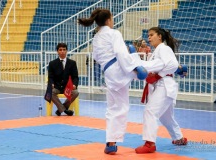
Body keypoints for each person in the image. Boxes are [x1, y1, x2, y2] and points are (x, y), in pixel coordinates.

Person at [78, 8, 169, 155]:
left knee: (112, 108)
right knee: (123, 104)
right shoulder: (114, 33)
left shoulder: (96, 37)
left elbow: (99, 56)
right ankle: (166, 66)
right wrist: (134, 67)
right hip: (118, 69)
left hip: (108, 73)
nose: (113, 21)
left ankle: (110, 141)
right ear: (108, 20)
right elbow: (121, 54)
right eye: (112, 18)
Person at [135, 27, 187, 154]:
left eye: (152, 35)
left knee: (150, 112)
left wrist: (158, 75)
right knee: (166, 117)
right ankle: (179, 138)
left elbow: (173, 65)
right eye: (148, 35)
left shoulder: (163, 48)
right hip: (162, 86)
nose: (149, 38)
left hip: (164, 86)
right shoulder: (156, 51)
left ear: (160, 36)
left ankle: (149, 143)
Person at [48, 43, 79, 116]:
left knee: (76, 93)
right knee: (50, 92)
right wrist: (51, 83)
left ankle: (60, 109)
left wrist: (74, 84)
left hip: (68, 87)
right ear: (57, 51)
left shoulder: (72, 63)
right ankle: (65, 110)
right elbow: (50, 77)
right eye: (60, 50)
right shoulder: (52, 63)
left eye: (64, 50)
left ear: (66, 51)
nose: (62, 51)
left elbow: (75, 77)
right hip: (57, 87)